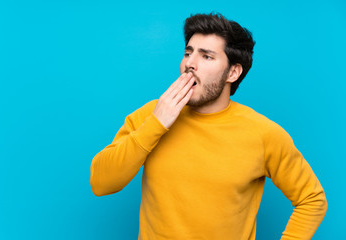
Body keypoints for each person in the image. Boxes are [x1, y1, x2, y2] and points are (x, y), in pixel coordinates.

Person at [90, 13, 327, 240]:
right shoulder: (152, 114)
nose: (190, 64)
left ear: (232, 72)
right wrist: (156, 124)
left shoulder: (264, 134)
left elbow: (312, 198)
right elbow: (101, 183)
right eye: (188, 53)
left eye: (207, 56)